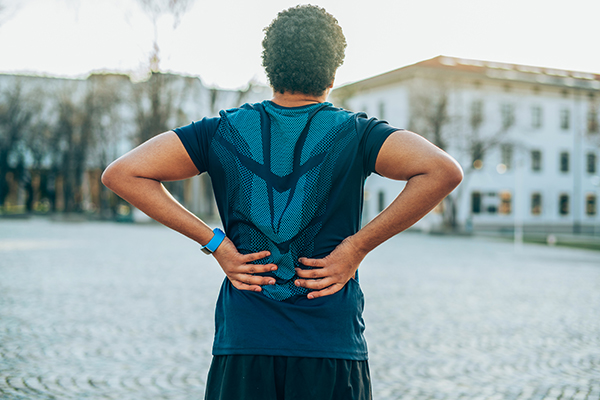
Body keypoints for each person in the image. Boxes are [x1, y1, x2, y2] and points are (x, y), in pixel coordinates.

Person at [102, 5, 463, 400]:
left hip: (245, 340)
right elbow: (442, 171)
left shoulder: (222, 131)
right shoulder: (355, 134)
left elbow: (122, 174)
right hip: (328, 341)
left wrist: (215, 244)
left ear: (269, 65)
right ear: (334, 69)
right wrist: (356, 247)